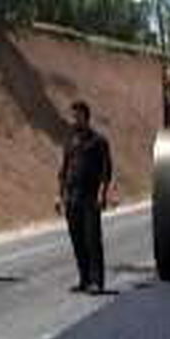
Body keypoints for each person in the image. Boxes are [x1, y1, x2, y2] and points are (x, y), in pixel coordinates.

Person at [57, 100, 114, 294]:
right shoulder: (70, 141)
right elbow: (64, 171)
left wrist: (102, 195)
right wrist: (60, 196)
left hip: (90, 197)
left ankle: (97, 282)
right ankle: (84, 279)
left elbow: (106, 171)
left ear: (85, 116)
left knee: (92, 240)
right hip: (72, 197)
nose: (73, 119)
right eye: (72, 116)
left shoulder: (98, 141)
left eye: (77, 115)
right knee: (77, 240)